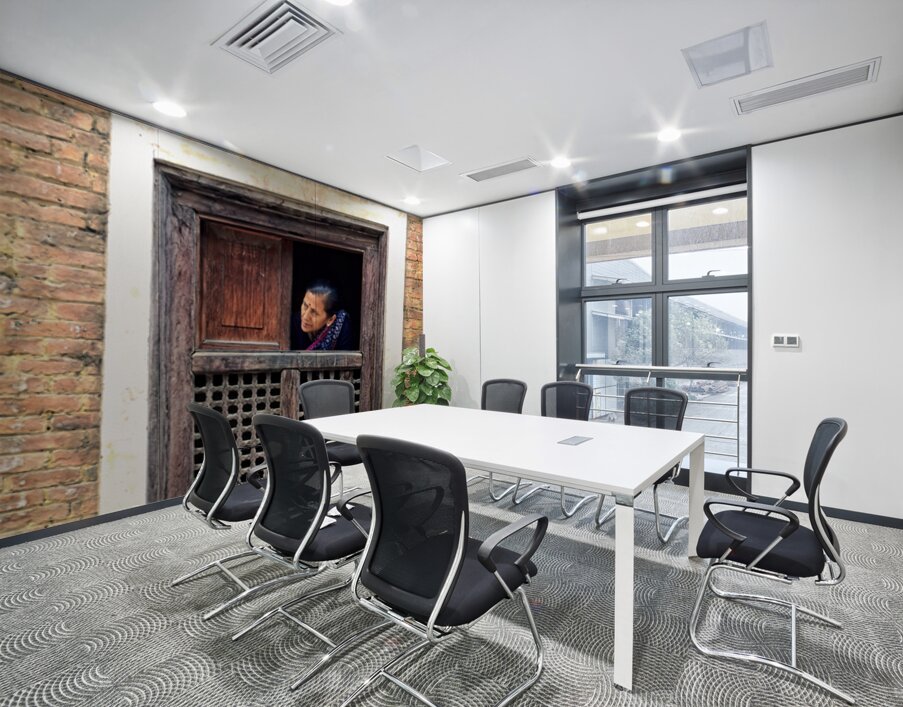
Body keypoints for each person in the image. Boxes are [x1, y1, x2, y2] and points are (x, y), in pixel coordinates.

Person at [291, 281, 354, 351]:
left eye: (314, 312)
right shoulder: (293, 323)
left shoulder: (341, 327)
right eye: (305, 306)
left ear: (330, 320)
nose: (305, 317)